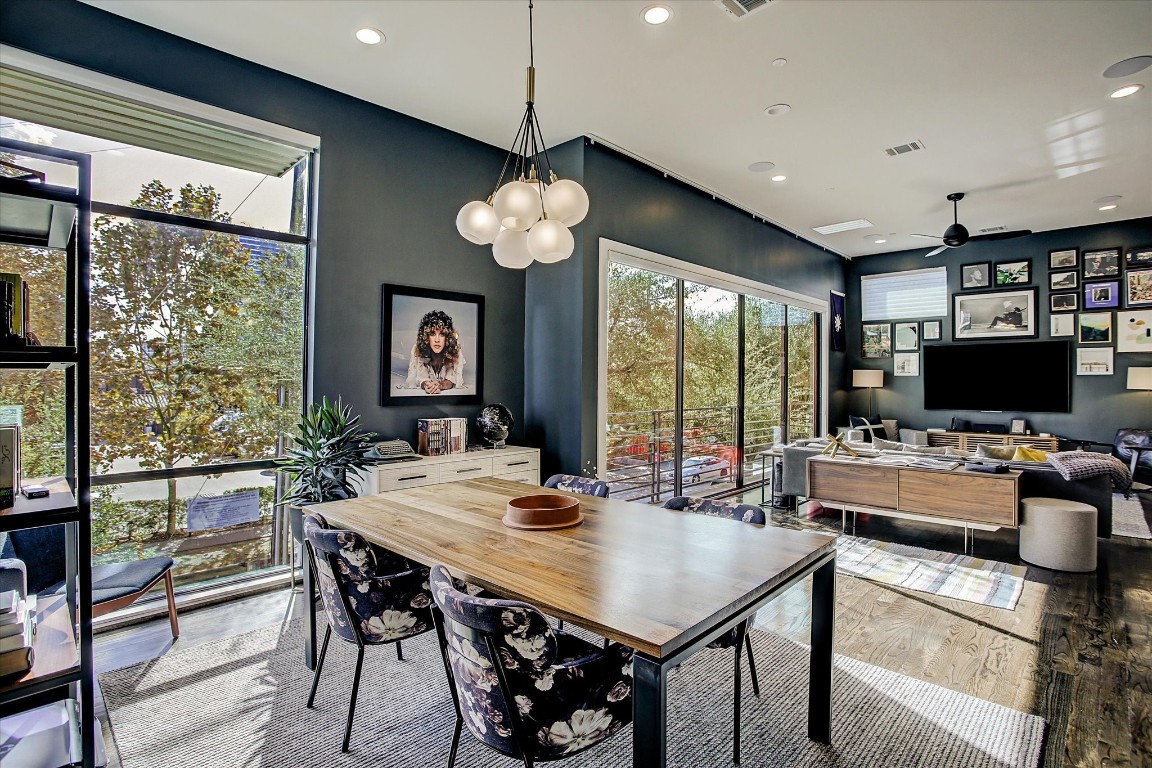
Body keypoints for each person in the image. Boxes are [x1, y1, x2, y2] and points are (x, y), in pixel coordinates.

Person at [405, 310, 466, 393]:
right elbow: (420, 377)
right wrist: (427, 386)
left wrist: (440, 385)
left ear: (447, 337)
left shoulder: (454, 348)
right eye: (432, 334)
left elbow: (452, 379)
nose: (437, 340)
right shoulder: (419, 348)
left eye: (442, 334)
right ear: (426, 336)